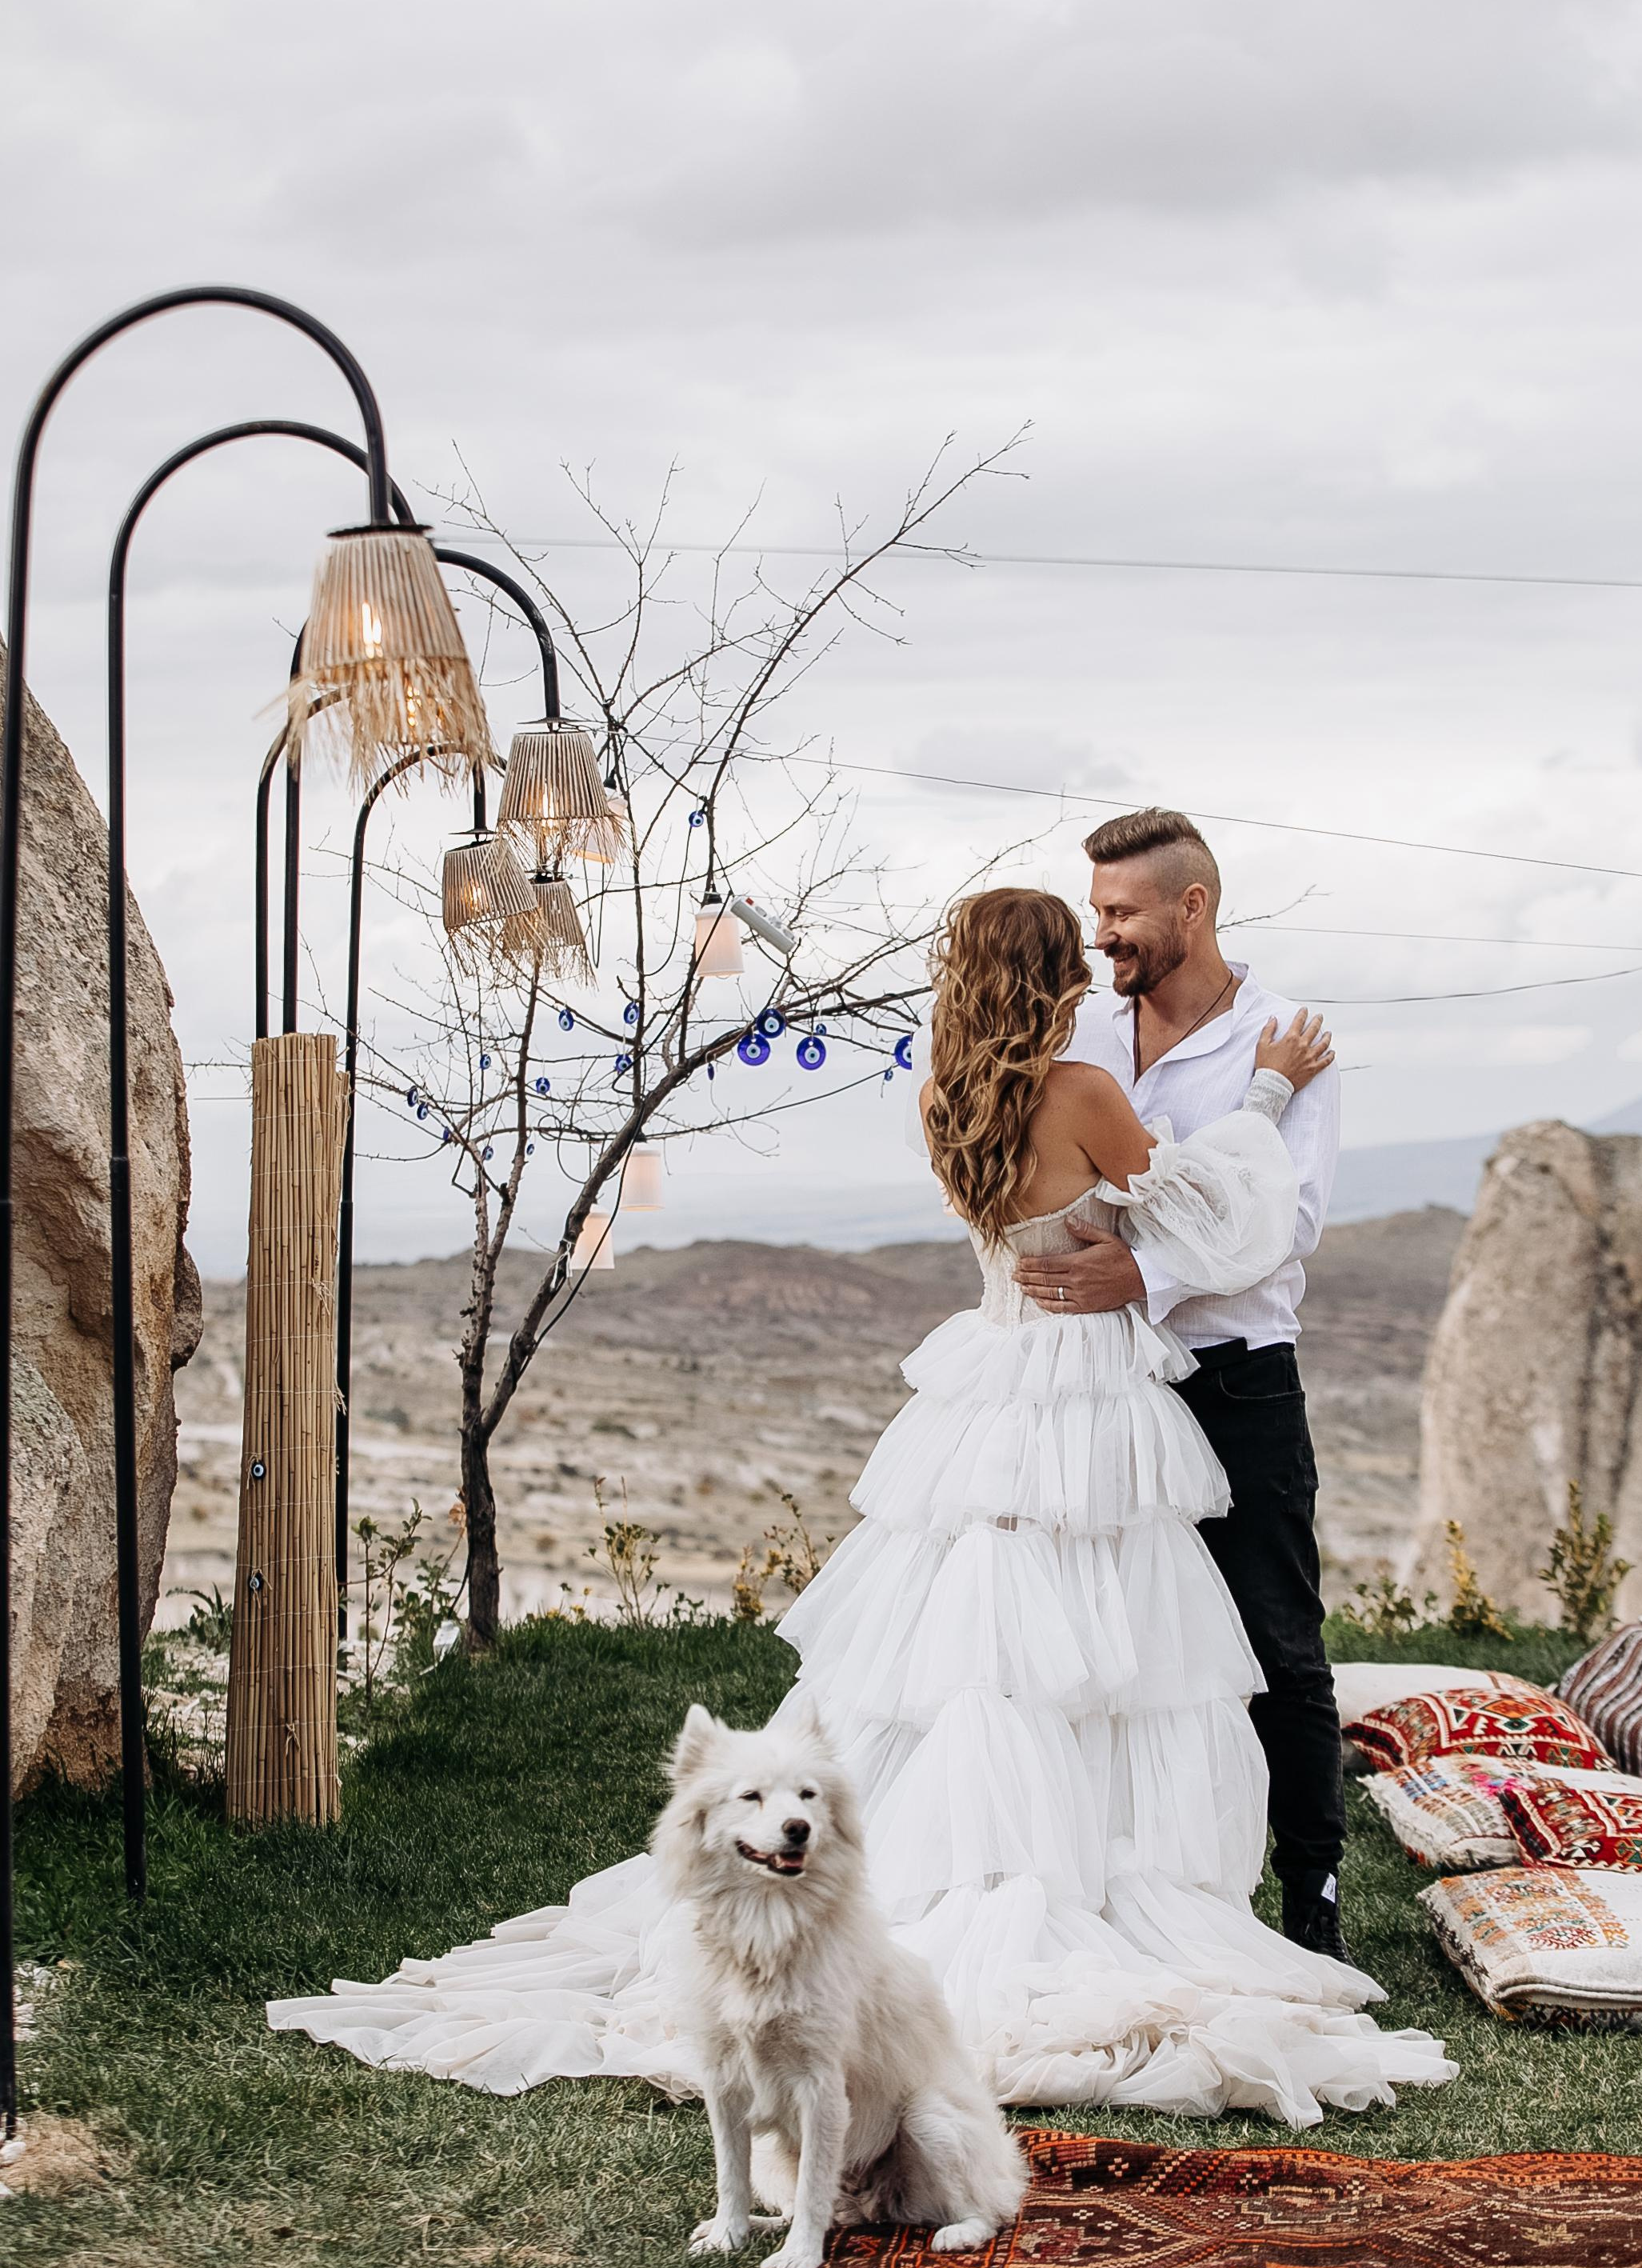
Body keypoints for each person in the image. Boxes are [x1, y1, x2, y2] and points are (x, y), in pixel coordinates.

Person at [270, 885, 1453, 2128]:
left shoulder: (945, 1100)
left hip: (994, 1379)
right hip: (1082, 1393)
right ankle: (1079, 1869)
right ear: (1051, 973)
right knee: (1099, 1645)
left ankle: (978, 1853)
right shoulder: (1080, 1092)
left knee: (983, 1646)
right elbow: (1217, 1215)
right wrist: (1264, 1093)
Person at [1010, 810, 1348, 1961]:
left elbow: (1286, 1223)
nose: (1100, 933)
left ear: (1191, 907)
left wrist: (1143, 1275)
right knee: (1119, 1648)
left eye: (1120, 913)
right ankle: (1145, 1887)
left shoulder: (1280, 1038)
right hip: (1103, 1388)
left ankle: (1312, 1894)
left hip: (1233, 1379)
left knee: (1273, 1645)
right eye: (1094, 911)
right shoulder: (1081, 1030)